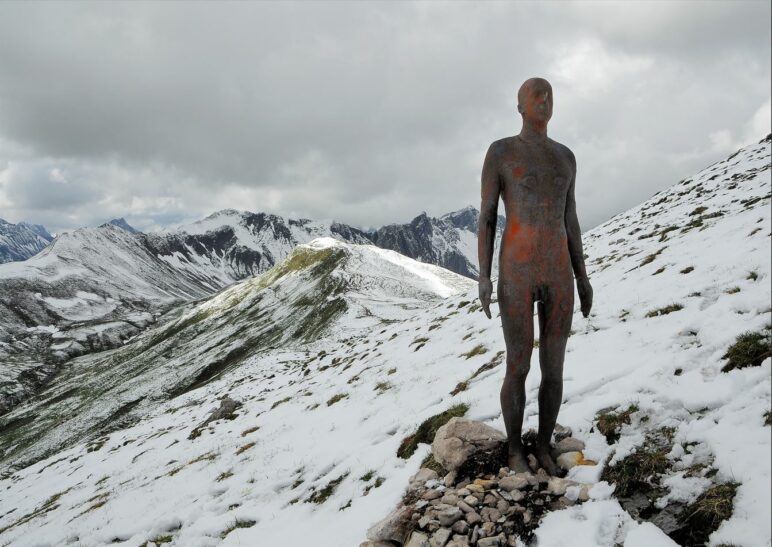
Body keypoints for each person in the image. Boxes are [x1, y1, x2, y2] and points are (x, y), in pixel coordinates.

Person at [477, 77, 593, 475]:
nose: (544, 101)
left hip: (558, 268)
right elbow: (488, 216)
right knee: (519, 364)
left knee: (555, 368)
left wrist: (582, 275)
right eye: (535, 95)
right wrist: (483, 276)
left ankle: (543, 445)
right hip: (517, 270)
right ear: (520, 105)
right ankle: (513, 449)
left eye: (549, 96)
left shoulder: (566, 157)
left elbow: (571, 218)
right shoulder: (502, 152)